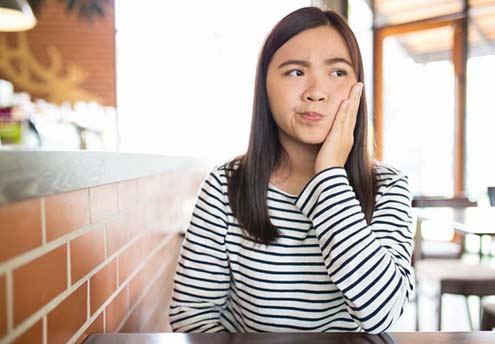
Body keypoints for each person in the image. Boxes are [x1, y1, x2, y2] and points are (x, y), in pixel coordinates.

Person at [169, 6, 413, 333]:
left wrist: (329, 176)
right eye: (296, 72)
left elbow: (382, 315)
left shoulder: (387, 186)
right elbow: (191, 315)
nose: (316, 91)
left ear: (358, 87)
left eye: (337, 72)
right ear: (265, 86)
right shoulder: (226, 185)